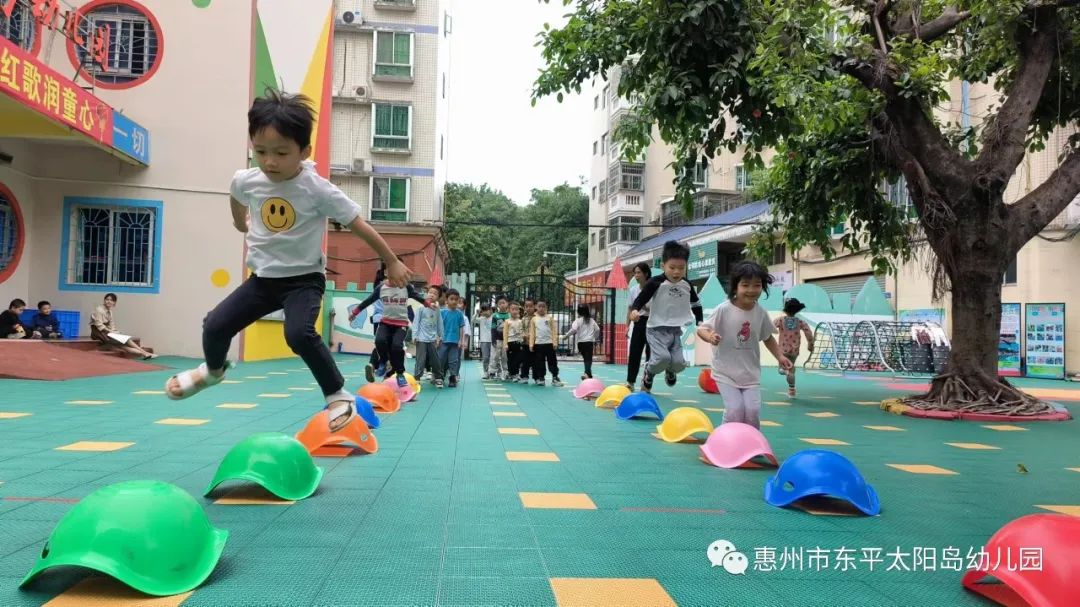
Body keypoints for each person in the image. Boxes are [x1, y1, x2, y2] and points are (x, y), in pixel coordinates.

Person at [164, 89, 412, 434]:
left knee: (297, 333)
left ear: (303, 151)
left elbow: (358, 225)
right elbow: (236, 196)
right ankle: (213, 371)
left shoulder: (317, 189)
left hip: (303, 280)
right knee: (215, 325)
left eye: (281, 153)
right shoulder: (248, 179)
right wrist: (240, 223)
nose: (270, 162)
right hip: (263, 280)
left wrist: (392, 261)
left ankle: (337, 394)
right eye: (261, 151)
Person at [696, 261, 793, 428]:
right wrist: (711, 336)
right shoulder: (723, 309)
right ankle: (725, 443)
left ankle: (751, 444)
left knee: (752, 411)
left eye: (757, 285)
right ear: (735, 287)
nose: (751, 290)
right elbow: (702, 330)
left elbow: (767, 337)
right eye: (745, 285)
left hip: (750, 374)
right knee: (734, 410)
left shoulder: (760, 312)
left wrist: (780, 356)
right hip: (725, 372)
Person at [629, 241, 703, 392]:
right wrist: (635, 310)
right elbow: (641, 298)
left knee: (679, 364)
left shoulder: (686, 284)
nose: (677, 272)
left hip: (675, 330)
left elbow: (696, 303)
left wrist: (700, 321)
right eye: (672, 268)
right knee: (662, 358)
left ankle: (670, 370)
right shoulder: (655, 282)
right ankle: (648, 373)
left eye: (681, 268)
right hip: (655, 329)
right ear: (663, 266)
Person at [347, 272, 429, 388]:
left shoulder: (406, 287)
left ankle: (400, 373)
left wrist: (428, 304)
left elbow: (417, 296)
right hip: (385, 322)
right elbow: (368, 301)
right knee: (379, 341)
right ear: (387, 273)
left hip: (401, 324)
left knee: (396, 346)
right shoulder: (381, 288)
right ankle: (383, 362)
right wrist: (355, 313)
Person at [90, 293, 155, 358]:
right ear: (104, 300)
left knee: (122, 346)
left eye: (111, 300)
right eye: (107, 299)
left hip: (106, 333)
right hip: (98, 333)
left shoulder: (109, 311)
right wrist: (111, 332)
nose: (109, 301)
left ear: (114, 303)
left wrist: (115, 331)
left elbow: (111, 324)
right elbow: (99, 325)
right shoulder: (99, 310)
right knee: (126, 340)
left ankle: (145, 354)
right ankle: (144, 352)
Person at [774, 297, 815, 397]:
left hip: (782, 350)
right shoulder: (800, 322)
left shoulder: (780, 320)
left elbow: (770, 326)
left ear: (785, 309)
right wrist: (810, 344)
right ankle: (791, 390)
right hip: (794, 350)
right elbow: (808, 333)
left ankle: (785, 371)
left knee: (782, 369)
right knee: (792, 369)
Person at [625, 262, 653, 390]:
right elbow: (630, 309)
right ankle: (630, 382)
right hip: (638, 323)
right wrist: (627, 326)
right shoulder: (633, 290)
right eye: (635, 273)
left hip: (652, 323)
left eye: (638, 273)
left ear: (646, 274)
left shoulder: (654, 288)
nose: (636, 275)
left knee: (650, 354)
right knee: (634, 353)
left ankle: (647, 382)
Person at [412, 285, 445, 387]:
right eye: (430, 292)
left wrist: (441, 336)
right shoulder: (421, 307)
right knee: (420, 359)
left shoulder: (437, 309)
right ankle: (417, 378)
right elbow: (416, 322)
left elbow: (440, 322)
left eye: (435, 293)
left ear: (438, 297)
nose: (432, 295)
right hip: (421, 338)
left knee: (435, 359)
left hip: (432, 339)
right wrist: (415, 335)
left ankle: (438, 377)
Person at [529, 300, 563, 386]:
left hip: (549, 344)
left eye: (543, 306)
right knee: (540, 362)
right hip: (538, 344)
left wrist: (555, 342)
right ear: (536, 307)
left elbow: (554, 331)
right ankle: (541, 378)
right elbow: (532, 333)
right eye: (539, 306)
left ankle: (555, 377)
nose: (541, 308)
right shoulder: (534, 319)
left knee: (552, 362)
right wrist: (531, 344)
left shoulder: (550, 318)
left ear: (546, 308)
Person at [563, 303, 600, 380]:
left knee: (586, 358)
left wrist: (566, 336)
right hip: (589, 342)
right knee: (588, 358)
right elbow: (597, 330)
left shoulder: (578, 321)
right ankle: (587, 373)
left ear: (578, 312)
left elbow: (573, 329)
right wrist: (594, 337)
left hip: (581, 343)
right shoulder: (592, 320)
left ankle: (588, 374)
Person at [439, 289, 468, 388]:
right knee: (441, 359)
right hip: (443, 341)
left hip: (455, 342)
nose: (454, 301)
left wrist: (461, 340)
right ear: (446, 300)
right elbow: (438, 326)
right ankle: (440, 377)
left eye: (456, 300)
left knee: (453, 360)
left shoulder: (459, 314)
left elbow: (461, 328)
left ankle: (452, 377)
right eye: (452, 299)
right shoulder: (442, 312)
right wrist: (437, 337)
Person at [488, 296, 510, 381]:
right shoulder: (495, 316)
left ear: (507, 303)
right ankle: (492, 372)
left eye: (503, 303)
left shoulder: (509, 315)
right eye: (500, 303)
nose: (502, 305)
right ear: (497, 305)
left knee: (505, 356)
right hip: (497, 340)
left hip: (506, 340)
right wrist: (493, 339)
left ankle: (506, 372)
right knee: (495, 356)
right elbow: (493, 328)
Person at [503, 302, 525, 382]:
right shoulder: (507, 321)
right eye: (513, 309)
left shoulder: (520, 321)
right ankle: (511, 373)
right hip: (510, 342)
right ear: (509, 310)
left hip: (518, 342)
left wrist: (523, 339)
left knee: (518, 359)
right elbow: (505, 334)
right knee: (511, 359)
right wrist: (505, 344)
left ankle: (515, 373)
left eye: (516, 309)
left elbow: (522, 331)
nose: (515, 311)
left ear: (519, 310)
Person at [518, 297, 536, 382]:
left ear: (534, 307)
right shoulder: (523, 319)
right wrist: (523, 336)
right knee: (525, 361)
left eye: (530, 306)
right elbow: (521, 329)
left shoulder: (537, 318)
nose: (528, 308)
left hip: (535, 343)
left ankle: (537, 377)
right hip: (525, 343)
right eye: (526, 306)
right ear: (524, 307)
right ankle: (524, 376)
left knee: (536, 361)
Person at [473, 304, 493, 379]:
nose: (485, 312)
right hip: (484, 341)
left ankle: (493, 372)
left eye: (486, 310)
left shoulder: (493, 318)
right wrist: (477, 313)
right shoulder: (481, 318)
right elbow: (473, 320)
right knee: (485, 357)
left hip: (492, 340)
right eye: (483, 310)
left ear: (490, 310)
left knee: (493, 357)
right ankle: (485, 372)